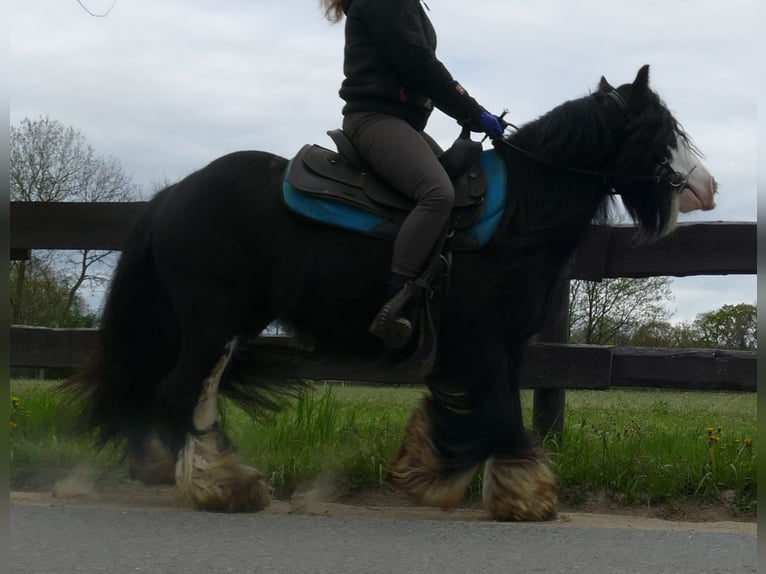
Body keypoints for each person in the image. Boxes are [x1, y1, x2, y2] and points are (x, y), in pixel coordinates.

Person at [321, 0, 504, 349]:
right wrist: (471, 111)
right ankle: (392, 304)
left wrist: (471, 111)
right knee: (437, 193)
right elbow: (418, 61)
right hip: (375, 119)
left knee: (460, 188)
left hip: (403, 123)